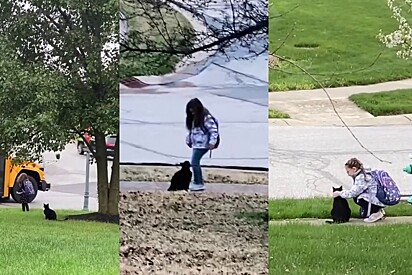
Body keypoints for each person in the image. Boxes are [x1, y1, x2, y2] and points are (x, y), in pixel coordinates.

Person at [333, 158, 385, 223]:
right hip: (378, 198)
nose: (348, 174)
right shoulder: (365, 172)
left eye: (348, 171)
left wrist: (339, 193)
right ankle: (376, 209)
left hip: (375, 199)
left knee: (357, 198)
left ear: (354, 169)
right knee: (363, 213)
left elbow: (353, 193)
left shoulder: (361, 177)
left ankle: (376, 212)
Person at [185, 98, 219, 191]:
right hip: (196, 144)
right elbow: (192, 131)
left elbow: (213, 131)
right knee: (195, 162)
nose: (191, 112)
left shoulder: (206, 118)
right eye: (190, 110)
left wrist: (212, 142)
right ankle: (197, 181)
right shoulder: (194, 118)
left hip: (204, 145)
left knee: (194, 162)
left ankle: (199, 182)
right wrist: (189, 140)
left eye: (193, 109)